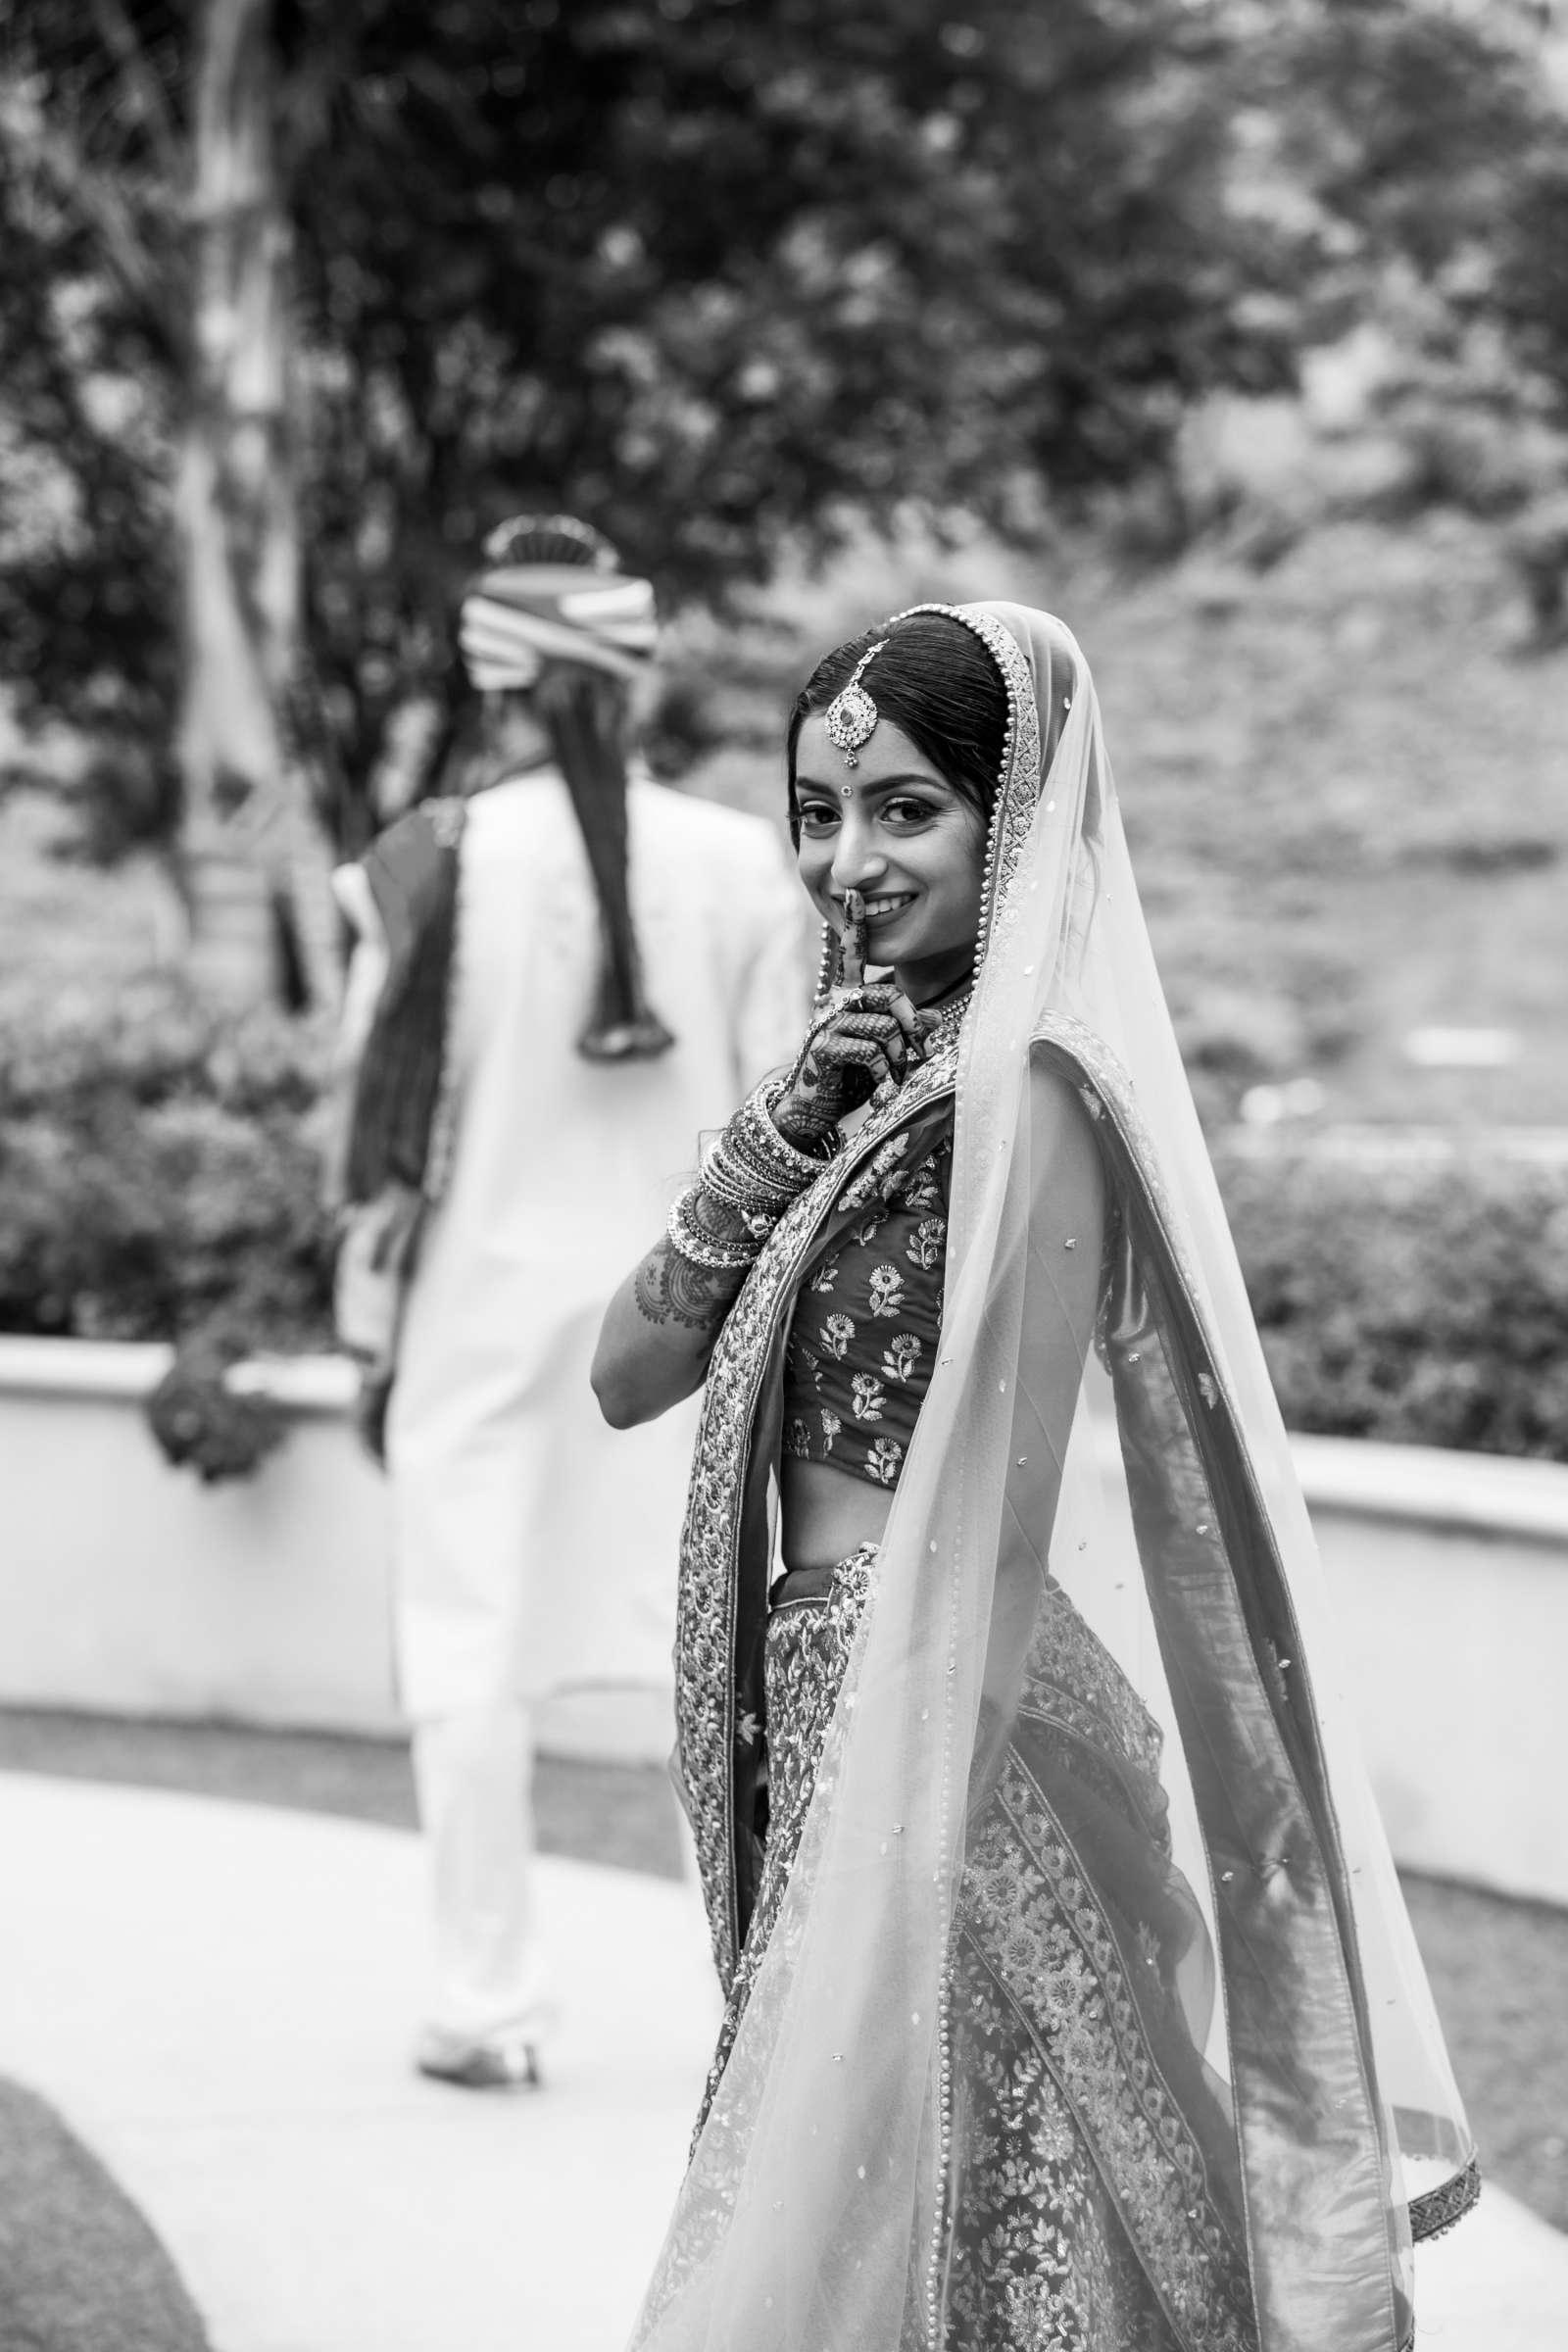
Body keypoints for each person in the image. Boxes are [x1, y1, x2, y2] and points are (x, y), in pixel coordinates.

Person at [592, 603, 1478, 2349]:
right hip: (827, 1690)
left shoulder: (1039, 1096)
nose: (851, 858)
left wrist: (895, 1823)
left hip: (945, 1730)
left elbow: (994, 1517)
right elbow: (629, 1373)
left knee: (995, 2196)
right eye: (822, 811)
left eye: (906, 809)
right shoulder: (850, 1084)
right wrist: (772, 1133)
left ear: (1010, 819)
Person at [331, 516, 809, 2090]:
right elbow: (788, 1114)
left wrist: (366, 1333)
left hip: (475, 1316)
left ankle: (483, 2006)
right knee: (716, 1655)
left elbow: (375, 1141)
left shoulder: (425, 862)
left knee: (465, 1653)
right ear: (635, 673)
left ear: (501, 689)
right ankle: (752, 2008)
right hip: (685, 1319)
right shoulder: (745, 863)